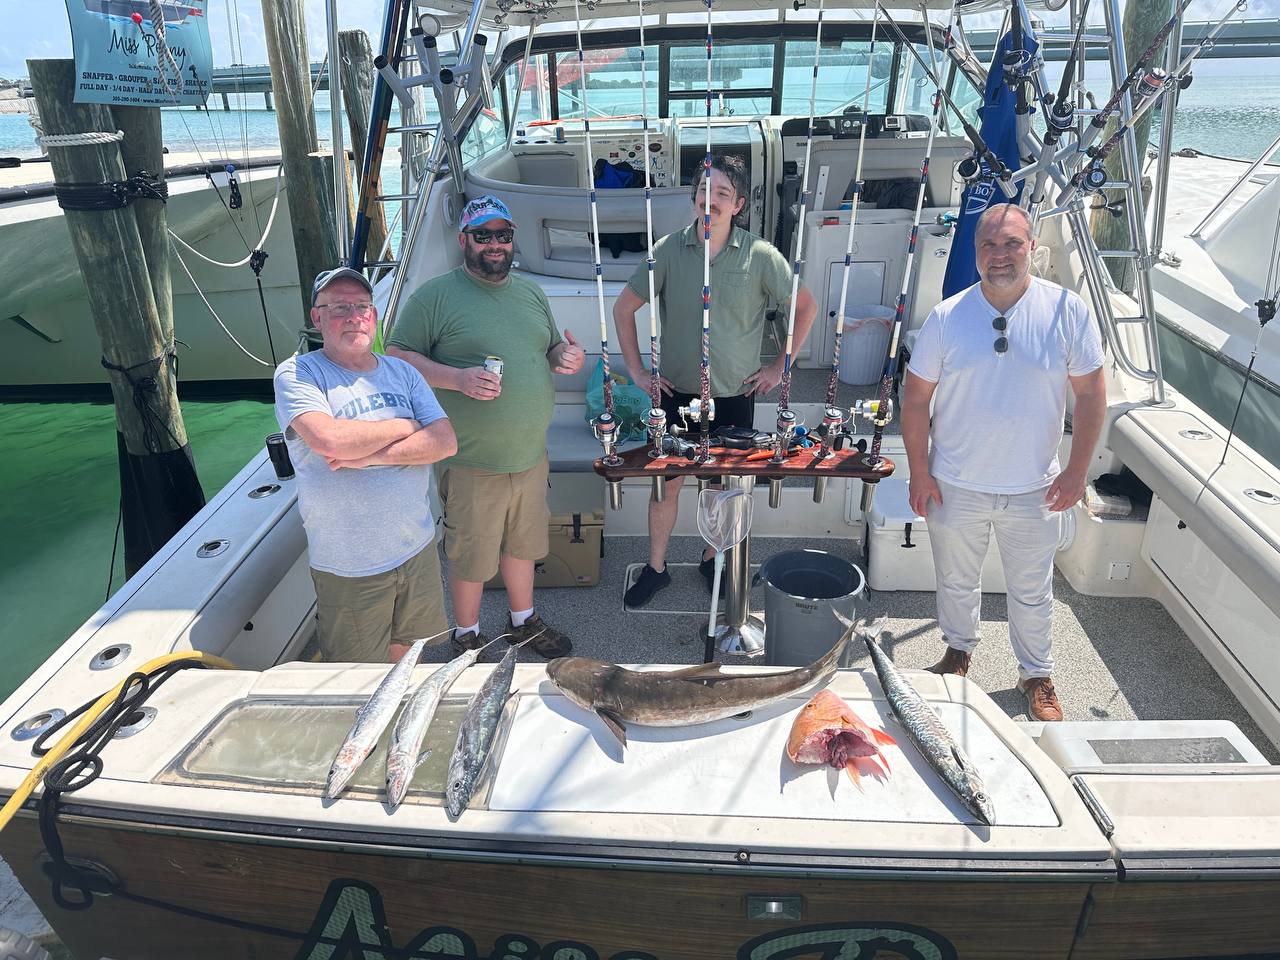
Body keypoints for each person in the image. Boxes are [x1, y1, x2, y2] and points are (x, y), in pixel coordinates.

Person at [901, 203, 1107, 722]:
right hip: (954, 482)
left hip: (1036, 487)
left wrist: (1077, 471)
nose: (1000, 255)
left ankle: (1036, 674)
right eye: (988, 245)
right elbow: (916, 399)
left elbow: (1091, 394)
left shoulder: (1067, 310)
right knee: (955, 580)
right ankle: (957, 652)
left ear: (1032, 247)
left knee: (1033, 590)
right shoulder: (947, 317)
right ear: (974, 253)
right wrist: (920, 472)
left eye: (1012, 243)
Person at [614, 153, 818, 607]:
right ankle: (656, 568)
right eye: (705, 189)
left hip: (734, 394)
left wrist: (780, 366)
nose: (712, 199)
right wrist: (638, 372)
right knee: (666, 486)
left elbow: (805, 306)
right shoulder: (667, 250)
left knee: (723, 489)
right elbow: (624, 308)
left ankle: (713, 559)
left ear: (739, 204)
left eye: (723, 192)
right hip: (675, 394)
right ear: (694, 198)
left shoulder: (761, 256)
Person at [386, 195, 584, 659]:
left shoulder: (531, 293)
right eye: (483, 235)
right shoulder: (435, 295)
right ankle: (467, 635)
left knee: (523, 545)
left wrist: (566, 357)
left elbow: (549, 347)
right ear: (464, 241)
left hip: (530, 455)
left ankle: (522, 621)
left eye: (503, 235)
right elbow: (396, 357)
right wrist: (457, 379)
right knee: (470, 555)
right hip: (471, 460)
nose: (495, 244)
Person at [274, 268, 457, 663]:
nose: (354, 316)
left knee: (408, 654)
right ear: (317, 317)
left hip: (416, 548)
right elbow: (328, 439)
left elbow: (445, 441)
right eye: (339, 307)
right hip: (350, 566)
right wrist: (406, 426)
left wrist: (371, 455)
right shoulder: (299, 373)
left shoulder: (403, 372)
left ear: (373, 316)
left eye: (362, 307)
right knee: (355, 676)